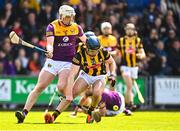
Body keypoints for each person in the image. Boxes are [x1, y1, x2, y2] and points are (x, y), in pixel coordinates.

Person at [15, 5, 86, 123]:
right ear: (62, 16)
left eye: (72, 16)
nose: (71, 19)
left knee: (61, 86)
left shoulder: (76, 27)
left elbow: (85, 41)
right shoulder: (52, 26)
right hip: (53, 61)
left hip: (68, 62)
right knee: (40, 87)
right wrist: (50, 51)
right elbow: (49, 44)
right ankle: (24, 113)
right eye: (68, 17)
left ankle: (65, 99)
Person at [45, 36, 116, 123]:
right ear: (87, 48)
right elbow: (72, 75)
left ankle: (90, 111)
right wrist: (69, 93)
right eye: (92, 51)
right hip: (85, 75)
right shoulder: (79, 55)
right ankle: (54, 116)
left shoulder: (103, 52)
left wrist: (112, 74)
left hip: (100, 75)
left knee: (96, 93)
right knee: (71, 94)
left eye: (96, 51)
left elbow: (111, 62)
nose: (95, 53)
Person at [117, 23, 146, 110]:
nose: (129, 30)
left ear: (134, 30)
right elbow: (117, 52)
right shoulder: (121, 40)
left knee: (129, 88)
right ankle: (131, 103)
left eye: (131, 29)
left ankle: (126, 106)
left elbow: (142, 52)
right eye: (128, 29)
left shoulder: (138, 40)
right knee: (129, 86)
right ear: (125, 30)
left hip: (134, 67)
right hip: (124, 66)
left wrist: (141, 55)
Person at [98, 22, 117, 90]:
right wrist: (109, 53)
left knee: (112, 84)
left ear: (111, 29)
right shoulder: (98, 39)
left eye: (108, 28)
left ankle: (112, 99)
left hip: (111, 64)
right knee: (101, 85)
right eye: (105, 28)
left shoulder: (113, 39)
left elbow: (116, 52)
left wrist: (107, 53)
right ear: (102, 29)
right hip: (101, 65)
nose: (106, 30)